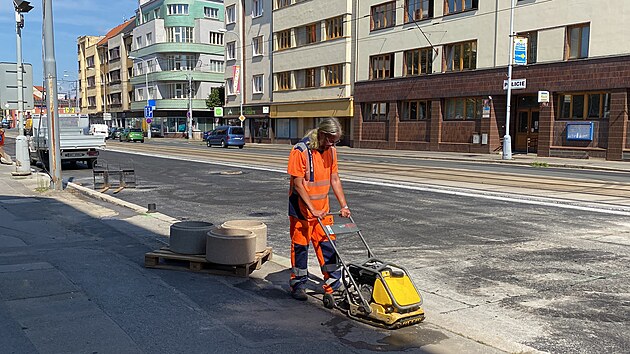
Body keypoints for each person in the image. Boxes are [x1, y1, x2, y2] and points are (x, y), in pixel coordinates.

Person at [287, 117, 351, 301]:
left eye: (336, 141)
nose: (333, 144)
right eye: (331, 140)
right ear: (322, 134)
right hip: (301, 210)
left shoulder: (331, 151)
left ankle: (333, 283)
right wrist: (311, 209)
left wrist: (344, 205)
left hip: (323, 210)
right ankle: (298, 284)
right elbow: (298, 184)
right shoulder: (300, 151)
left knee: (328, 245)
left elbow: (335, 179)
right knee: (300, 247)